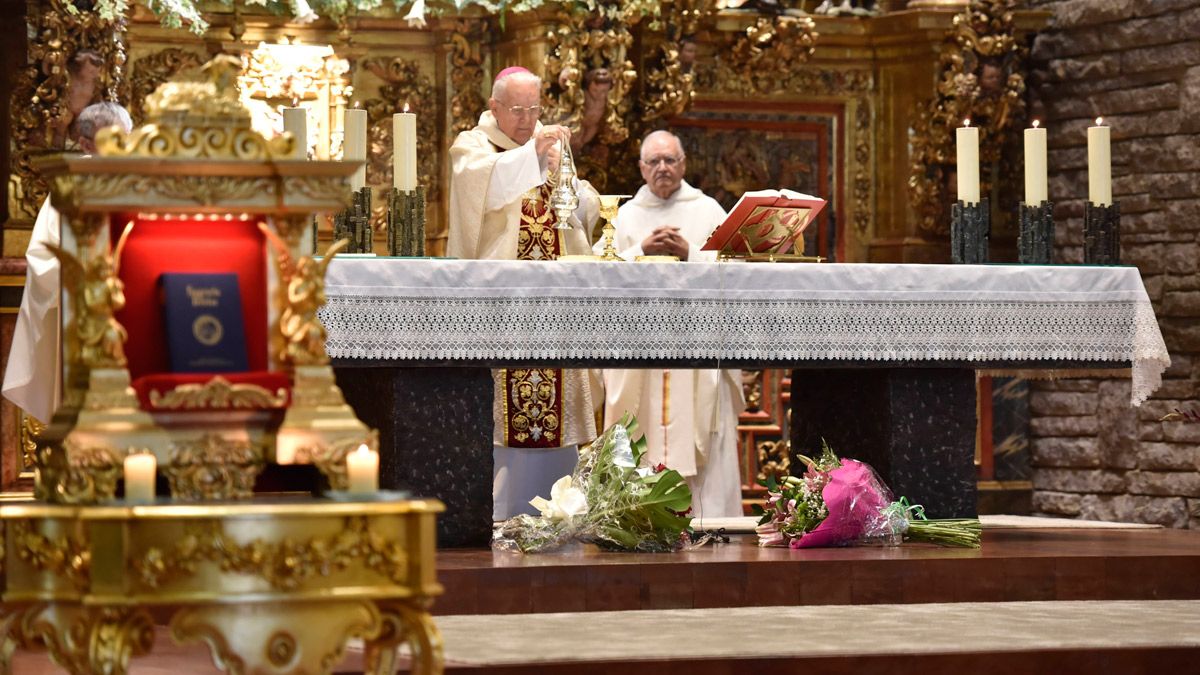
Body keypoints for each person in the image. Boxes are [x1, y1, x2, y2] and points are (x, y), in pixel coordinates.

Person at [447, 66, 602, 521]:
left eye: (534, 109)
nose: (526, 118)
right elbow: (482, 187)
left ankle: (562, 515)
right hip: (500, 314)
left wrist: (566, 179)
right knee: (500, 416)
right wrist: (532, 157)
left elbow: (584, 212)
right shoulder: (472, 146)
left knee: (558, 416)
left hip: (555, 314)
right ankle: (495, 516)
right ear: (494, 106)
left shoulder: (550, 147)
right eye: (517, 109)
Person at [596, 129, 747, 517]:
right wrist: (640, 250)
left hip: (696, 348)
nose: (662, 168)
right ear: (641, 168)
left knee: (705, 435)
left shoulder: (709, 210)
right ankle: (635, 519)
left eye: (670, 160)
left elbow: (737, 272)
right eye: (654, 162)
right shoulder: (626, 215)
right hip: (640, 349)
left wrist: (690, 254)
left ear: (683, 164)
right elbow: (598, 273)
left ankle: (710, 521)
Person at [4, 102, 134, 425]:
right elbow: (44, 257)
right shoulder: (70, 187)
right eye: (114, 138)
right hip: (85, 312)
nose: (124, 147)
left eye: (126, 138)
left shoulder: (138, 180)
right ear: (86, 144)